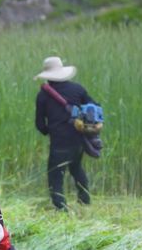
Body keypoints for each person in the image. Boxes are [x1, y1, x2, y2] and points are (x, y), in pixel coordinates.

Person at [34, 56, 97, 210]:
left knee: (55, 174)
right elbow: (94, 106)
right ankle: (85, 200)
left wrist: (50, 131)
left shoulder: (43, 95)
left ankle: (61, 206)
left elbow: (40, 124)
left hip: (59, 141)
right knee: (76, 168)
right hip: (78, 138)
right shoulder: (78, 89)